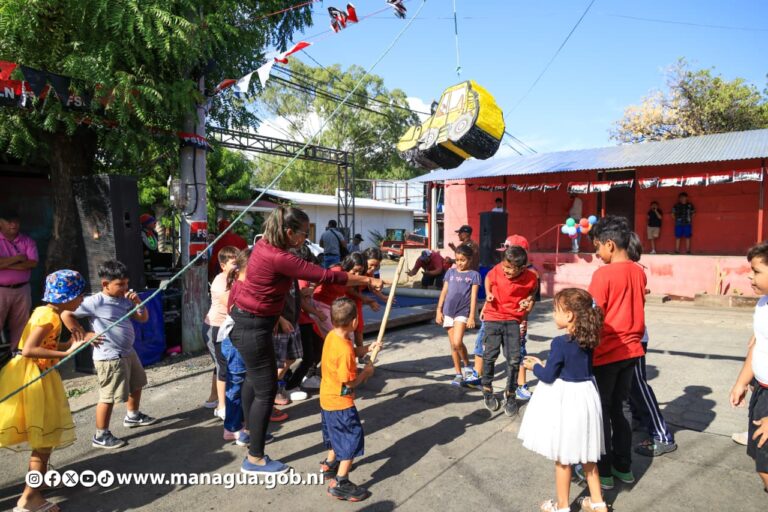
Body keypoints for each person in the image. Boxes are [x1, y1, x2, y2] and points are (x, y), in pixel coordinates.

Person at [230, 206, 382, 476]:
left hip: (250, 323)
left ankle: (251, 434)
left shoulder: (264, 246)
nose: (305, 238)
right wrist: (366, 280)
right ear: (289, 232)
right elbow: (326, 275)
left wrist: (277, 318)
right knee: (265, 391)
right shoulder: (278, 256)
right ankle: (255, 458)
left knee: (254, 382)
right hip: (253, 328)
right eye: (303, 233)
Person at [0, 270, 91, 512]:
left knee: (43, 437)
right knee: (44, 438)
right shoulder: (50, 317)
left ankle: (38, 482)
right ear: (67, 297)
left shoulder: (45, 311)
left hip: (31, 373)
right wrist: (66, 353)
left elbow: (43, 344)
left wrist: (69, 343)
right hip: (36, 377)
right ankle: (29, 499)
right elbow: (30, 349)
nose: (81, 299)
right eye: (79, 295)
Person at [519, 288, 607, 512]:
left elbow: (549, 376)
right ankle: (598, 503)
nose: (553, 315)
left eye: (555, 310)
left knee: (563, 458)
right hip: (587, 396)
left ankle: (562, 506)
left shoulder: (560, 342)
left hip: (568, 401)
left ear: (569, 315)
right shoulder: (590, 338)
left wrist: (534, 366)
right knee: (588, 455)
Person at [580, 215, 646, 490]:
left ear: (609, 244)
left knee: (602, 411)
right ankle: (624, 466)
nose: (596, 253)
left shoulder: (603, 275)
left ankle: (604, 470)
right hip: (631, 352)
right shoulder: (639, 271)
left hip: (606, 353)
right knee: (621, 408)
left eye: (597, 247)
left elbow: (592, 315)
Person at [61, 260, 156, 449]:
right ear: (105, 284)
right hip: (109, 357)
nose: (125, 288)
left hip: (128, 351)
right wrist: (84, 334)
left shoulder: (125, 299)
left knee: (137, 384)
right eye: (120, 284)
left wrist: (138, 303)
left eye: (126, 283)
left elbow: (143, 318)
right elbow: (66, 314)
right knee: (108, 396)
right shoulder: (95, 302)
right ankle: (101, 434)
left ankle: (133, 415)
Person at [319, 297, 380, 501]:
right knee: (351, 438)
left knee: (334, 434)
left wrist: (367, 348)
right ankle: (341, 482)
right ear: (354, 322)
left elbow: (349, 353)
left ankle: (330, 464)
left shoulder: (333, 336)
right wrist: (366, 372)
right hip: (340, 403)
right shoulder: (344, 349)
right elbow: (349, 383)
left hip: (327, 398)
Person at [479, 245, 538, 416]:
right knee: (489, 356)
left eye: (510, 268)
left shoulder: (531, 278)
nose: (505, 270)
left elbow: (533, 292)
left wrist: (528, 301)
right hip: (493, 317)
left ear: (522, 268)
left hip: (513, 320)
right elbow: (488, 279)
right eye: (504, 266)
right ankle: (487, 389)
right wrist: (488, 293)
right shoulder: (498, 269)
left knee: (514, 359)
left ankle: (510, 394)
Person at [730, 241, 768, 495]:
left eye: (756, 271)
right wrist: (742, 382)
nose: (750, 276)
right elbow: (757, 347)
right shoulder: (762, 304)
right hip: (761, 392)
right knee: (759, 458)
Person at [202, 246, 239, 420]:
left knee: (220, 364)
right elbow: (231, 302)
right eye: (234, 263)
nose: (238, 266)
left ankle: (213, 398)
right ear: (223, 265)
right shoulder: (220, 280)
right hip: (215, 328)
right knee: (223, 366)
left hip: (226, 327)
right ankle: (221, 407)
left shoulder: (235, 278)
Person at [436, 245, 480, 386]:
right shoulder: (450, 272)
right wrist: (438, 310)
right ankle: (458, 373)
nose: (459, 263)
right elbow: (444, 292)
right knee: (453, 345)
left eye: (463, 260)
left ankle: (467, 366)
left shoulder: (474, 275)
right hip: (448, 311)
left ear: (470, 260)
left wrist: (472, 316)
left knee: (457, 342)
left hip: (462, 312)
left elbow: (473, 297)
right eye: (457, 260)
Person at [630, 328, 677, 456]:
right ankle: (637, 418)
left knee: (638, 385)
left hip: (631, 340)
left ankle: (662, 437)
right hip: (625, 339)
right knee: (629, 384)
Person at [0, 207, 38, 353]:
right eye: (9, 222)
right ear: (0, 223)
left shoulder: (27, 241)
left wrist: (5, 264)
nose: (13, 225)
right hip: (1, 290)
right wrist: (18, 258)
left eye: (16, 221)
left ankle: (18, 354)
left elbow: (32, 263)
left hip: (22, 289)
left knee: (21, 323)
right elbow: (24, 262)